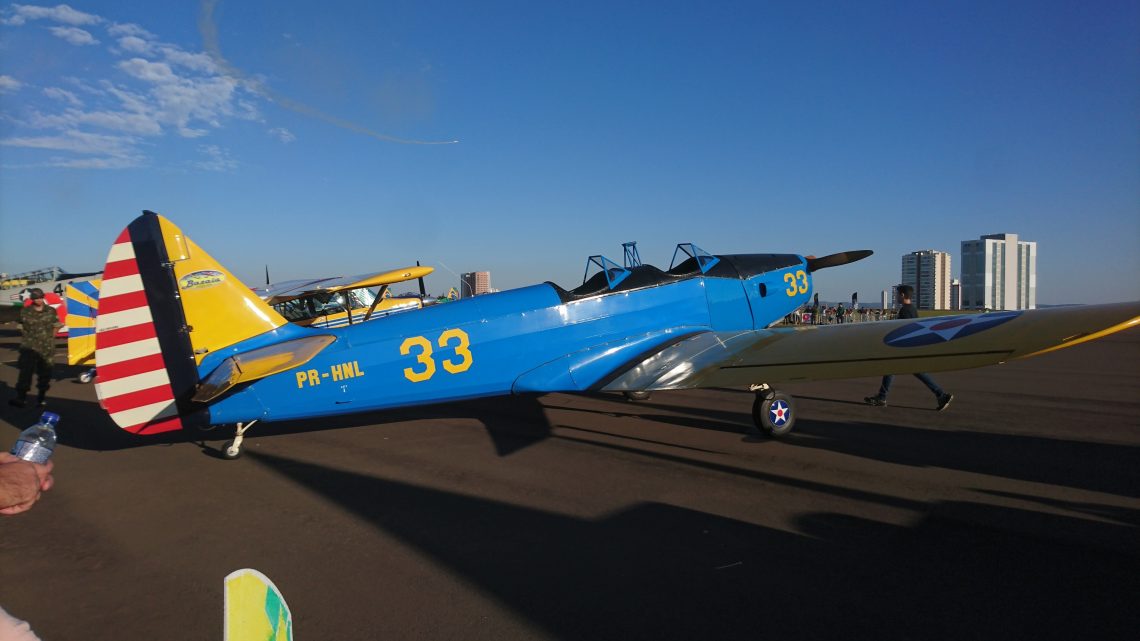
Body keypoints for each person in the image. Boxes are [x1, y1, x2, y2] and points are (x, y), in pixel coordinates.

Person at [865, 285, 954, 410]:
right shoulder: (912, 309)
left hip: (904, 348)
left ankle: (882, 397)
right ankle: (941, 395)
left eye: (897, 294)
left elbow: (902, 331)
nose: (896, 297)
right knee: (911, 371)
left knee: (893, 368)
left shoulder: (905, 311)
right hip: (910, 347)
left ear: (902, 295)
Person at [9, 288, 60, 409]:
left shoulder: (51, 311)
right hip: (29, 347)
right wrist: (28, 337)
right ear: (32, 299)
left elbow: (56, 325)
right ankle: (21, 398)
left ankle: (41, 398)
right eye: (36, 298)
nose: (39, 300)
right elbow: (20, 326)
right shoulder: (25, 311)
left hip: (46, 347)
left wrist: (50, 338)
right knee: (25, 373)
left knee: (45, 373)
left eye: (41, 297)